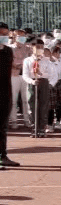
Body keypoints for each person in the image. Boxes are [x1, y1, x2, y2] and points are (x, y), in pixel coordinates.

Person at [23, 39, 53, 138]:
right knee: (31, 105)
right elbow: (25, 75)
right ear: (32, 48)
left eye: (41, 47)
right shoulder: (27, 60)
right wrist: (32, 81)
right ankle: (34, 127)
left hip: (43, 82)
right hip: (32, 83)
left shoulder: (46, 60)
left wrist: (41, 74)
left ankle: (42, 128)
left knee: (43, 105)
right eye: (37, 47)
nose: (40, 49)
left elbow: (50, 73)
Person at [0, 22, 15, 168]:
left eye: (6, 34)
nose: (4, 37)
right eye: (1, 34)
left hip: (5, 92)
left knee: (3, 126)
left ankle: (3, 155)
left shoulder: (8, 51)